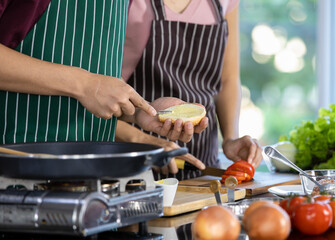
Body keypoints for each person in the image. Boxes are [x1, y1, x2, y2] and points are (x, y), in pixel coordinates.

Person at [0, 0, 207, 144]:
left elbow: (95, 87)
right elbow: (90, 86)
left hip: (94, 175)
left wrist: (139, 112)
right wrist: (85, 84)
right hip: (14, 168)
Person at [116, 0, 263, 180]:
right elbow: (98, 97)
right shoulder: (125, 4)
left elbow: (227, 80)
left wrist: (230, 138)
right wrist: (146, 142)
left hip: (203, 171)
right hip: (135, 168)